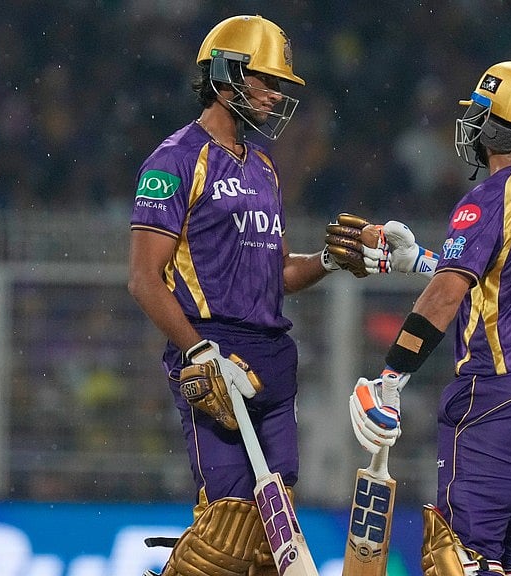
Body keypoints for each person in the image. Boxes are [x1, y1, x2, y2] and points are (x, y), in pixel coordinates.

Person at [127, 14, 386, 576]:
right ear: (225, 76)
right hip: (213, 348)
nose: (274, 96)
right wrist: (197, 352)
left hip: (273, 354)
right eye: (264, 81)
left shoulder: (265, 168)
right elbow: (145, 278)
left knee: (273, 533)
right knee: (229, 525)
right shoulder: (174, 160)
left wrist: (327, 261)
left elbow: (278, 275)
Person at [350, 61, 511, 576]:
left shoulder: (489, 196)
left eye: (480, 113)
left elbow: (448, 296)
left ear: (497, 126)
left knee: (460, 560)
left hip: (499, 398)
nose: (472, 124)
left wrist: (391, 379)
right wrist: (420, 262)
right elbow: (501, 290)